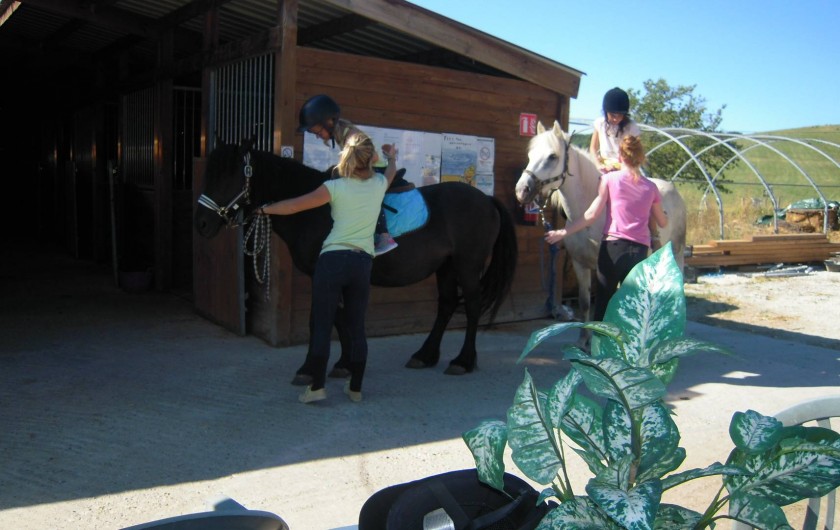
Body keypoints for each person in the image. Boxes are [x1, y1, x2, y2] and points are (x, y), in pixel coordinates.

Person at [261, 132, 398, 403]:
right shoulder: (379, 184)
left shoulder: (333, 188)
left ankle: (317, 389)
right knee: (357, 327)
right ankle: (355, 388)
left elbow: (294, 206)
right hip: (362, 263)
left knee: (323, 325)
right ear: (371, 158)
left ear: (346, 157)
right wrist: (391, 155)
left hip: (332, 261)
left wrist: (264, 210)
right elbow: (391, 170)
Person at [546, 135, 667, 322]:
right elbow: (662, 222)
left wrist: (564, 232)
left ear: (620, 156)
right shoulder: (651, 187)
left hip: (612, 249)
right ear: (641, 157)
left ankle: (600, 347)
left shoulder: (610, 180)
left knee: (604, 304)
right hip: (639, 252)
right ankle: (628, 349)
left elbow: (591, 215)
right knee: (631, 307)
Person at [298, 94, 398, 256]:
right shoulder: (341, 133)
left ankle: (383, 235)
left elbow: (372, 157)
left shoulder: (351, 135)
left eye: (316, 130)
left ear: (328, 122)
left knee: (369, 191)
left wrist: (346, 166)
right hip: (368, 166)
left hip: (375, 168)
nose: (317, 135)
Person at [589, 87, 642, 174]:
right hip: (603, 166)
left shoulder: (632, 126)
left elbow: (637, 153)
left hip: (626, 167)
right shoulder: (600, 123)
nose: (616, 119)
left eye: (620, 115)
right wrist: (598, 165)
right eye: (613, 115)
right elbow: (593, 148)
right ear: (606, 112)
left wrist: (621, 166)